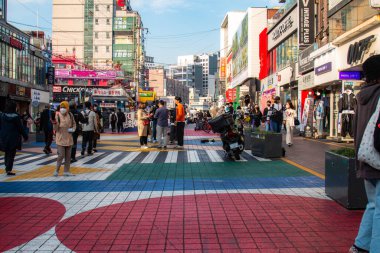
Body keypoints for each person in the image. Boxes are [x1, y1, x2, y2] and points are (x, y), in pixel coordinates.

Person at [349, 55, 380, 253]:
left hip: (365, 157)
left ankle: (360, 246)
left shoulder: (361, 96)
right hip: (378, 156)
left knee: (372, 205)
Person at [0, 100, 28, 176]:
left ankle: (7, 166)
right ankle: (8, 169)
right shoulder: (16, 116)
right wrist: (25, 136)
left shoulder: (2, 115)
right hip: (14, 138)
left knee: (6, 152)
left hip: (4, 137)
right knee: (11, 154)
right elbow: (20, 128)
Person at [53, 101, 76, 177]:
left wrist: (73, 129)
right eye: (61, 107)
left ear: (67, 108)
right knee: (61, 155)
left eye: (64, 107)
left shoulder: (70, 115)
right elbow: (56, 129)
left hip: (69, 138)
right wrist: (55, 123)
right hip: (60, 139)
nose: (62, 109)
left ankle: (66, 171)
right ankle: (56, 170)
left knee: (68, 156)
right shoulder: (58, 115)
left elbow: (74, 124)